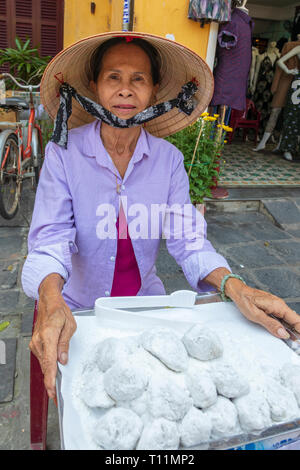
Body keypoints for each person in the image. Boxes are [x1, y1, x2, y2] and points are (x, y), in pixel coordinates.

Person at [21, 31, 300, 400]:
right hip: (78, 308)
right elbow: (51, 238)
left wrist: (235, 286)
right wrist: (52, 303)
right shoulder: (64, 155)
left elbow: (188, 240)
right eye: (113, 77)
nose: (125, 90)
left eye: (138, 79)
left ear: (154, 91)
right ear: (94, 86)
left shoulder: (168, 160)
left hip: (144, 304)